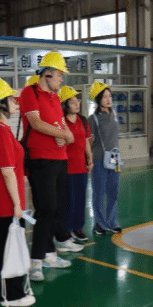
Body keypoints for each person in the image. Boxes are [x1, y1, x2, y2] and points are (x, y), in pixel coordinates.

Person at [19, 51, 79, 283]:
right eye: (60, 75)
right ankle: (36, 261)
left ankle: (50, 254)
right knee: (45, 209)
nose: (62, 79)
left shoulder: (54, 97)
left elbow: (61, 123)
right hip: (41, 159)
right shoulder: (30, 92)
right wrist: (63, 134)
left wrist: (64, 135)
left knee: (55, 209)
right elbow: (36, 123)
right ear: (47, 73)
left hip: (60, 158)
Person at [0, 76, 35, 307]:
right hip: (5, 200)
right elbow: (8, 173)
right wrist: (17, 204)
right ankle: (11, 295)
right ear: (0, 104)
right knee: (9, 246)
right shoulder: (1, 133)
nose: (15, 102)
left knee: (0, 242)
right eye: (11, 99)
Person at [60, 85, 93, 242]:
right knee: (68, 201)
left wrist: (90, 157)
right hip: (66, 168)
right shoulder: (61, 122)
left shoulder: (83, 120)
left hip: (81, 167)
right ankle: (67, 229)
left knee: (80, 200)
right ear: (65, 105)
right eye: (72, 102)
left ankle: (78, 228)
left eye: (77, 101)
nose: (77, 104)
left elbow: (86, 141)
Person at [89, 82, 122, 236]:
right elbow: (90, 141)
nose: (108, 99)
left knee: (113, 191)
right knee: (99, 192)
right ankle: (99, 223)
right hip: (99, 159)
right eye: (104, 97)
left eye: (109, 96)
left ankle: (112, 222)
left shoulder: (114, 114)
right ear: (98, 99)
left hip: (115, 158)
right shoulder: (93, 118)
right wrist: (88, 158)